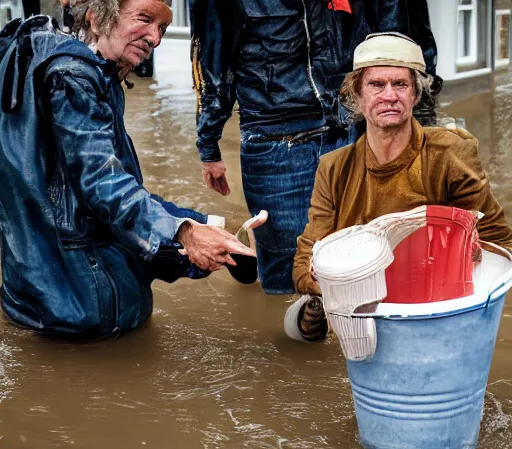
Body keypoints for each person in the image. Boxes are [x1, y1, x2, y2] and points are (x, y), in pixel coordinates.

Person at [0, 3, 257, 340]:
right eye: (145, 19)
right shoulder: (74, 77)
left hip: (35, 301)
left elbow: (84, 200)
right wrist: (184, 233)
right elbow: (102, 187)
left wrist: (205, 229)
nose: (155, 38)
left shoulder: (44, 60)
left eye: (164, 28)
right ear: (97, 17)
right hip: (81, 315)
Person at [189, 0, 441, 295]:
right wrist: (209, 147)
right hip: (277, 144)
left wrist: (420, 128)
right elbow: (213, 64)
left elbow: (404, 45)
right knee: (288, 276)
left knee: (361, 260)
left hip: (349, 131)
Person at [284, 32, 512, 343]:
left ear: (416, 95)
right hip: (359, 300)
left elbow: (501, 244)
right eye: (376, 85)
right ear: (357, 94)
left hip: (432, 299)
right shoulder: (334, 167)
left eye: (400, 84)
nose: (389, 95)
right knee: (297, 331)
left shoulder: (449, 155)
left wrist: (471, 262)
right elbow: (307, 255)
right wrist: (319, 282)